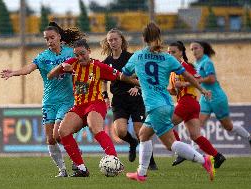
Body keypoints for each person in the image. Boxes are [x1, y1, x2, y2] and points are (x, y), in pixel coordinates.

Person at [121, 22, 215, 182]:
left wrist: (140, 82)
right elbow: (188, 75)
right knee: (143, 135)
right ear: (159, 37)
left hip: (155, 106)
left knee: (171, 144)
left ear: (143, 38)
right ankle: (141, 173)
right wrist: (202, 89)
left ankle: (203, 160)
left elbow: (123, 76)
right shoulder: (167, 58)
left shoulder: (137, 56)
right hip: (165, 104)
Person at [0, 22, 83, 177]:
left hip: (67, 100)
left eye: (52, 37)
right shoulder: (43, 57)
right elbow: (28, 68)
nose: (49, 41)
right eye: (47, 39)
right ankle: (62, 170)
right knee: (51, 139)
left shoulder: (71, 53)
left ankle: (76, 157)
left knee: (60, 133)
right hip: (49, 101)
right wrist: (14, 72)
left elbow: (83, 67)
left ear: (59, 37)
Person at [47, 39, 125, 177]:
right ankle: (81, 168)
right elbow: (50, 75)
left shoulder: (99, 66)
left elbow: (121, 76)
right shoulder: (72, 63)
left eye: (82, 53)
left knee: (94, 127)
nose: (80, 57)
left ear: (89, 51)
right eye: (77, 55)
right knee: (62, 132)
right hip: (79, 106)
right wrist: (62, 66)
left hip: (96, 103)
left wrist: (139, 84)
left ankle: (114, 161)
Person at [101, 28, 158, 170]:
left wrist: (137, 88)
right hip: (119, 100)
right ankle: (132, 143)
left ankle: (150, 161)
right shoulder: (106, 62)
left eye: (115, 39)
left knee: (141, 132)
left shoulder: (132, 58)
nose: (113, 42)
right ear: (107, 43)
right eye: (110, 40)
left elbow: (143, 75)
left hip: (135, 98)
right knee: (120, 132)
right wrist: (105, 96)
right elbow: (103, 80)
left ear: (121, 40)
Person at [190, 41, 251, 154]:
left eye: (196, 48)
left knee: (228, 126)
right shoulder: (196, 63)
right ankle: (194, 150)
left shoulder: (207, 62)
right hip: (206, 98)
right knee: (197, 123)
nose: (193, 51)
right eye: (191, 49)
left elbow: (212, 79)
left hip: (217, 98)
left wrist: (198, 80)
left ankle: (250, 137)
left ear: (202, 49)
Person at [167, 41, 226, 168]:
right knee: (195, 136)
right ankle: (217, 156)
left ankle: (180, 151)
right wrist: (169, 89)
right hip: (191, 104)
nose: (170, 54)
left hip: (187, 101)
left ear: (181, 53)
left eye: (173, 52)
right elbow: (174, 90)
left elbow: (197, 79)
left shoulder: (184, 66)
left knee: (165, 124)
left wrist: (184, 84)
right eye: (168, 52)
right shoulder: (172, 70)